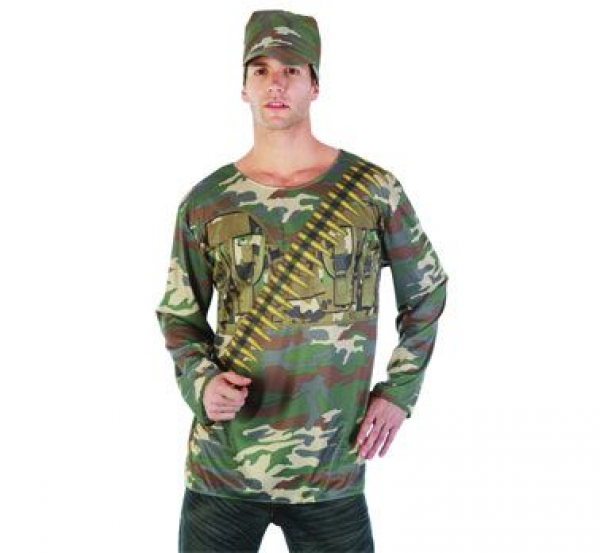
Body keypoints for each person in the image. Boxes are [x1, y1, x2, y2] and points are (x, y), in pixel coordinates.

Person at [155, 8, 449, 553]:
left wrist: (399, 392)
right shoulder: (207, 201)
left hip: (331, 469)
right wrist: (201, 383)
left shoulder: (373, 191)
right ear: (243, 87)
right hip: (224, 468)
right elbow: (179, 315)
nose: (276, 83)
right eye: (261, 69)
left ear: (315, 85)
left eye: (291, 69)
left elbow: (427, 291)